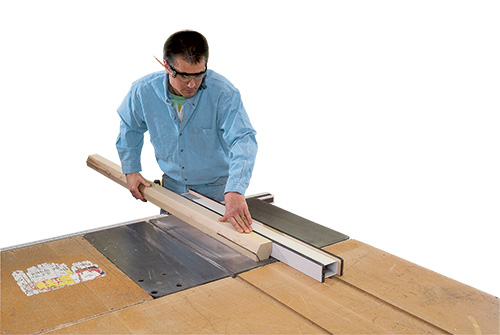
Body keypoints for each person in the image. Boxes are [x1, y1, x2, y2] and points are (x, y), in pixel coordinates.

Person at [116, 30, 257, 234]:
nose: (192, 84)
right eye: (183, 76)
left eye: (199, 75)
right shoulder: (143, 91)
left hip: (216, 194)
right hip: (172, 193)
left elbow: (243, 140)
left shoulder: (223, 93)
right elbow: (130, 128)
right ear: (166, 66)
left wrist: (235, 189)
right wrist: (131, 170)